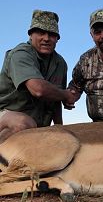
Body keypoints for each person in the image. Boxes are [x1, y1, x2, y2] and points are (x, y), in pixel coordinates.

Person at [0, 10, 77, 143]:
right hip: (6, 114)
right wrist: (66, 95)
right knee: (23, 124)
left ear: (57, 38)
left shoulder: (60, 63)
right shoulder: (20, 54)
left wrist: (60, 127)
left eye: (52, 34)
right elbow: (39, 90)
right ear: (31, 35)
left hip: (36, 125)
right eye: (41, 32)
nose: (46, 38)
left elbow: (56, 99)